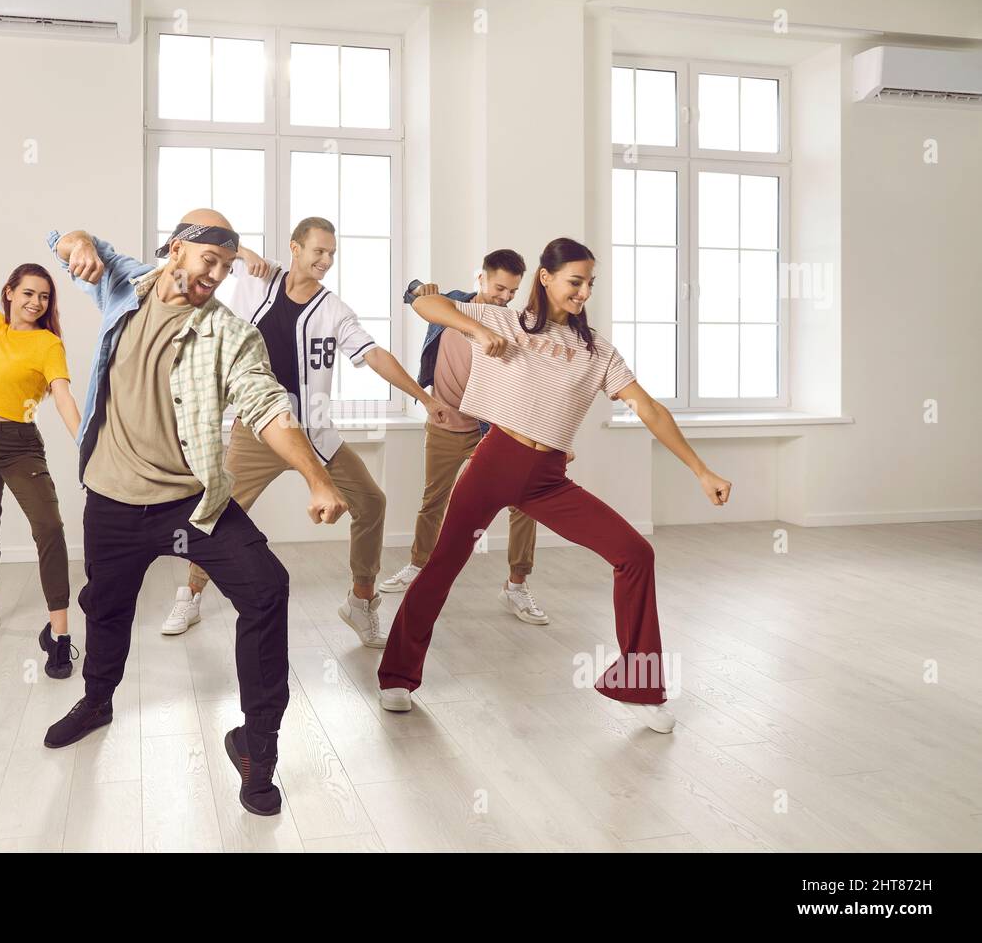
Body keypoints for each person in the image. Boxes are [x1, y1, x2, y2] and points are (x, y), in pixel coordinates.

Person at [41, 209, 348, 818]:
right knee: (106, 603)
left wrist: (317, 476)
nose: (217, 274)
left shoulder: (231, 334)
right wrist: (73, 239)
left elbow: (267, 406)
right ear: (177, 250)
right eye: (210, 260)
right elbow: (73, 244)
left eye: (229, 267)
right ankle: (98, 698)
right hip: (110, 494)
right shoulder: (127, 283)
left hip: (189, 502)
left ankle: (257, 747)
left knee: (266, 588)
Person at [377, 238, 733, 734]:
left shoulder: (596, 350)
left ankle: (639, 684)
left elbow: (649, 409)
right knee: (443, 564)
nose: (584, 291)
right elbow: (424, 303)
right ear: (545, 278)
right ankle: (397, 676)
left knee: (635, 553)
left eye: (590, 283)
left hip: (547, 480)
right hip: (494, 461)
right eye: (575, 281)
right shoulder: (505, 320)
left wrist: (700, 469)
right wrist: (476, 328)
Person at [162, 217, 451, 649]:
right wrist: (243, 252)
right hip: (257, 431)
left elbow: (374, 355)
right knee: (217, 511)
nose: (326, 260)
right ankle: (192, 594)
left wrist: (424, 400)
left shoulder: (334, 309)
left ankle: (361, 600)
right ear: (295, 248)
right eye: (318, 251)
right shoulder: (256, 277)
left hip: (314, 434)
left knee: (371, 503)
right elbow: (209, 245)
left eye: (332, 253)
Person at [381, 249, 569, 626]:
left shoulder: (515, 323)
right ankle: (418, 565)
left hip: (496, 427)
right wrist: (421, 289)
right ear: (479, 278)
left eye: (512, 291)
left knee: (523, 502)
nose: (504, 298)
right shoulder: (451, 305)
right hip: (446, 421)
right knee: (433, 499)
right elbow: (412, 294)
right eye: (499, 288)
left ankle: (516, 584)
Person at [0, 264, 81, 680]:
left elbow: (62, 396)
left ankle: (58, 636)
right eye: (27, 293)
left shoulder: (48, 344)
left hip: (18, 446)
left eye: (43, 297)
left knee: (49, 528)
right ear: (9, 293)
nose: (35, 303)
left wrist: (85, 440)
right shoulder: (0, 325)